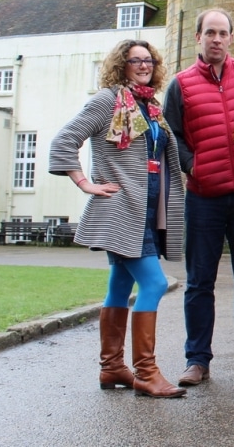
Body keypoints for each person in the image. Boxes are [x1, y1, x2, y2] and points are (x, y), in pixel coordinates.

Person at [49, 39, 186, 398]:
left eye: (149, 61)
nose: (143, 66)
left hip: (148, 206)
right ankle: (146, 372)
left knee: (120, 285)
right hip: (122, 208)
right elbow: (64, 141)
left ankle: (111, 368)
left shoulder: (150, 106)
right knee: (154, 285)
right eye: (134, 60)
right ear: (121, 65)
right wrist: (85, 183)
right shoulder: (108, 100)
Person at [164, 8, 234, 386]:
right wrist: (191, 165)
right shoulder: (181, 85)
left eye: (223, 33)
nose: (216, 39)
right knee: (200, 282)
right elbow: (173, 135)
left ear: (232, 38)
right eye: (209, 32)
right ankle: (197, 360)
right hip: (203, 196)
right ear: (198, 37)